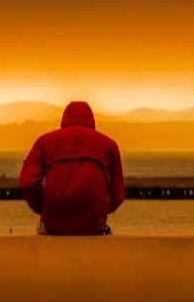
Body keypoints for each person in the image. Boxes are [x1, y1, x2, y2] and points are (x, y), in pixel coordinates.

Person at [19, 101, 124, 236]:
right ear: (91, 120)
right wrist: (100, 210)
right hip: (93, 226)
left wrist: (44, 207)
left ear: (65, 119)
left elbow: (27, 182)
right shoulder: (110, 145)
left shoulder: (44, 142)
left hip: (53, 225)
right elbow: (118, 194)